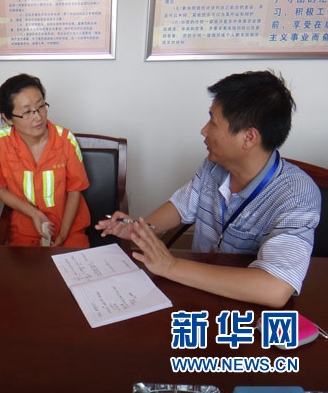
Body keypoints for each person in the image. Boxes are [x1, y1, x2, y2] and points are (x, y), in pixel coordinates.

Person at [96, 70, 321, 308]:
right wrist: (139, 229)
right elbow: (181, 206)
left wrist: (171, 266)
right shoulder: (214, 167)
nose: (204, 131)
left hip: (244, 310)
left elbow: (275, 288)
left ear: (249, 137)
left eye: (213, 122)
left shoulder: (297, 196)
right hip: (195, 294)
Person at [0, 73, 90, 247]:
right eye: (27, 112)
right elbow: (0, 189)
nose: (38, 117)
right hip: (25, 230)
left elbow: (74, 191)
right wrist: (33, 213)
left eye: (41, 106)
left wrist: (63, 235)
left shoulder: (66, 140)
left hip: (68, 228)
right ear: (8, 118)